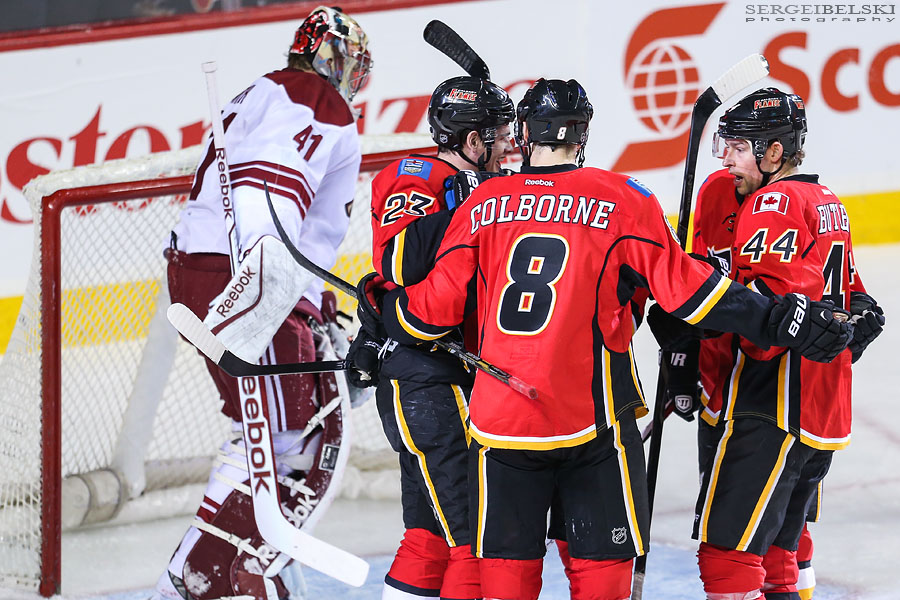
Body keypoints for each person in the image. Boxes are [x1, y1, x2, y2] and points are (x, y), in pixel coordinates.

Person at [358, 78, 852, 600]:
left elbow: (429, 315)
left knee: (500, 579)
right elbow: (692, 294)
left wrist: (380, 313)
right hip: (593, 422)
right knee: (600, 577)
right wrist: (779, 318)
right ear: (583, 134)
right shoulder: (623, 198)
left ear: (526, 134)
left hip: (499, 425)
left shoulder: (483, 204)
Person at [152, 7, 372, 600]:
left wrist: (316, 307)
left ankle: (196, 571)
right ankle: (219, 575)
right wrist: (260, 295)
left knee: (260, 434)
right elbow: (262, 193)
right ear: (335, 57)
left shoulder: (262, 91)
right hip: (247, 277)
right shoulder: (315, 97)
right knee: (295, 440)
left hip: (207, 272)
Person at [684, 87, 884, 600]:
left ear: (774, 152)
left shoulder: (770, 202)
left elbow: (770, 316)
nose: (727, 156)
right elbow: (856, 303)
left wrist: (701, 311)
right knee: (778, 556)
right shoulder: (829, 201)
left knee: (727, 553)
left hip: (769, 406)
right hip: (823, 412)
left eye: (739, 145)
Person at [351, 75, 515, 600]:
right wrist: (474, 204)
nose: (510, 146)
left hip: (443, 379)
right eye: (499, 134)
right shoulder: (416, 174)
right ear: (472, 142)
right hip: (424, 384)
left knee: (429, 536)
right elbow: (398, 261)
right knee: (473, 536)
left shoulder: (475, 185)